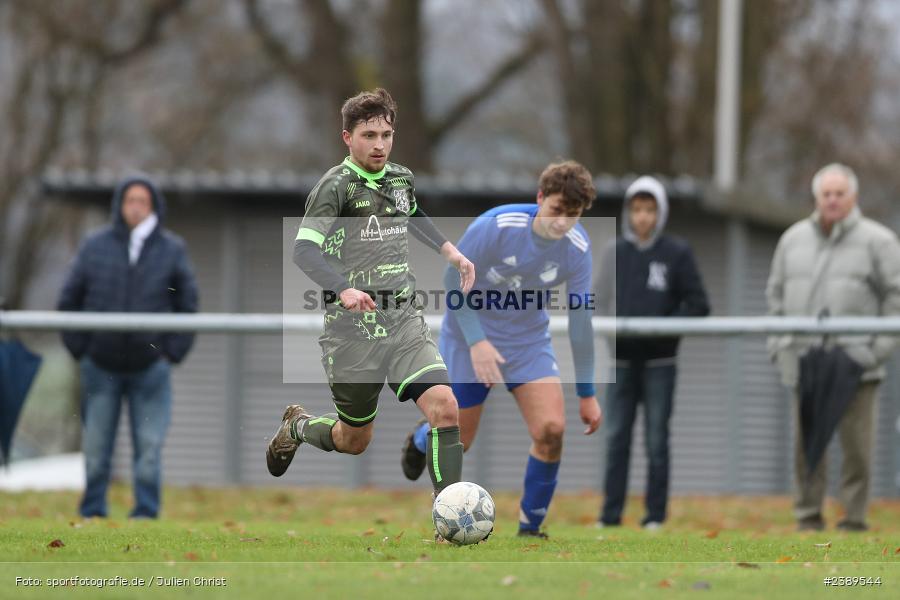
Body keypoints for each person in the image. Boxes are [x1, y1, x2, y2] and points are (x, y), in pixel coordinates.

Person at [268, 88, 475, 502]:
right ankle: (298, 427)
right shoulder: (336, 187)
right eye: (368, 135)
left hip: (403, 322)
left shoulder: (401, 177)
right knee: (354, 439)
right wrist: (343, 288)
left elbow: (410, 211)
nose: (379, 144)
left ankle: (449, 516)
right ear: (348, 138)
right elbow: (304, 249)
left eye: (385, 134)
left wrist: (449, 251)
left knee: (446, 407)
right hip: (351, 334)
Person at [400, 160, 603, 538]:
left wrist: (588, 393)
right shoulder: (496, 225)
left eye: (573, 215)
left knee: (551, 429)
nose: (563, 222)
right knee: (461, 439)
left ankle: (531, 529)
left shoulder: (577, 248)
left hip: (527, 343)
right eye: (557, 210)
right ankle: (420, 440)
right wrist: (478, 342)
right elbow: (451, 280)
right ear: (540, 198)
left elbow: (580, 322)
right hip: (468, 335)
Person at [766, 163, 900, 532]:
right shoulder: (792, 240)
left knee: (857, 450)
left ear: (853, 197)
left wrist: (873, 352)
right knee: (806, 446)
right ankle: (808, 517)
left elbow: (896, 299)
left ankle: (854, 519)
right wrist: (780, 348)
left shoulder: (880, 241)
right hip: (805, 361)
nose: (833, 200)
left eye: (840, 193)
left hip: (858, 364)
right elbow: (775, 296)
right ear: (816, 197)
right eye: (827, 193)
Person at [58, 175, 198, 519]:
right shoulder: (94, 245)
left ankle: (145, 515)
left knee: (149, 448)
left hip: (150, 368)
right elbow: (68, 300)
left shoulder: (171, 249)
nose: (135, 207)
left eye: (142, 201)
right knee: (96, 449)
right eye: (129, 200)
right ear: (119, 205)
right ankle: (92, 512)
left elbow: (189, 305)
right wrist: (82, 349)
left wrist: (171, 353)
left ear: (153, 207)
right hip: (100, 366)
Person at [595, 176, 709, 530]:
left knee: (657, 440)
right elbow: (595, 302)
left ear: (660, 213)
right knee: (616, 438)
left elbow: (699, 304)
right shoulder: (615, 252)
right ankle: (610, 517)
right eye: (637, 209)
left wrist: (663, 326)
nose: (643, 217)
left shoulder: (677, 253)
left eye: (650, 209)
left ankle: (654, 516)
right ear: (629, 212)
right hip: (622, 361)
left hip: (661, 362)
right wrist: (610, 330)